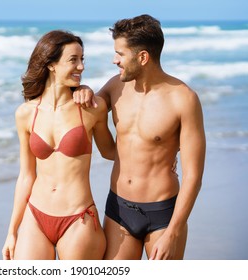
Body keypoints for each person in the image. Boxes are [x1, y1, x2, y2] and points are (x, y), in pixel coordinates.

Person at [74, 14, 206, 260]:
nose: (115, 60)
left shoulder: (183, 99)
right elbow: (94, 116)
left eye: (120, 54)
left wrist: (172, 233)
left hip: (163, 215)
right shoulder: (115, 86)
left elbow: (194, 177)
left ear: (142, 57)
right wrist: (84, 90)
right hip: (118, 211)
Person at [2, 30, 115, 260]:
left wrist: (162, 150)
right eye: (73, 60)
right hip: (35, 216)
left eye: (82, 59)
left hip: (78, 218)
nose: (81, 67)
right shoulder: (25, 114)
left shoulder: (92, 108)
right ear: (51, 64)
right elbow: (26, 176)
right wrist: (12, 231)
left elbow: (111, 152)